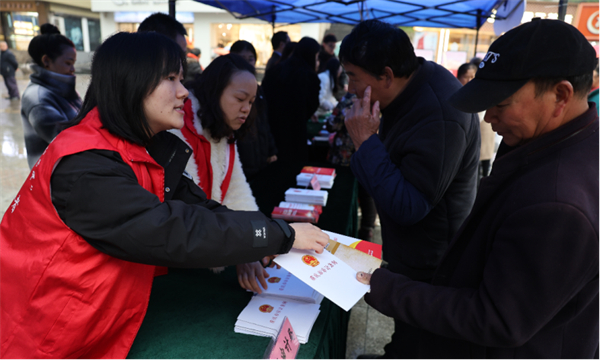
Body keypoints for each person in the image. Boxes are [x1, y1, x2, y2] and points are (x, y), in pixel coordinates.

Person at [0, 31, 328, 359]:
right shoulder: (87, 164)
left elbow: (199, 207)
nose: (184, 92)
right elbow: (174, 230)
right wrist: (280, 235)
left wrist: (263, 236)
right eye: (171, 78)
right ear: (131, 82)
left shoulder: (143, 148)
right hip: (41, 334)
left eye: (182, 79)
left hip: (88, 323)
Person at [356, 19, 598, 358]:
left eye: (500, 104)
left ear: (560, 95)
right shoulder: (556, 143)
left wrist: (383, 286)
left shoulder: (559, 202)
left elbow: (496, 318)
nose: (488, 119)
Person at [339, 19, 480, 358]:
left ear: (386, 75)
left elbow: (409, 206)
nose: (349, 88)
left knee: (420, 341)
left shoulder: (439, 113)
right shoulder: (409, 89)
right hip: (414, 251)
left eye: (353, 77)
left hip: (434, 260)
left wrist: (365, 142)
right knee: (408, 335)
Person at [21, 23, 82, 169]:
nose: (72, 69)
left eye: (73, 63)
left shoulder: (64, 89)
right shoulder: (38, 98)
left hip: (74, 170)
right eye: (68, 63)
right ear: (46, 61)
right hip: (56, 177)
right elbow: (66, 141)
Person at [262, 37, 321, 163]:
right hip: (295, 133)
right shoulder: (309, 76)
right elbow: (312, 105)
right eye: (316, 57)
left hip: (271, 131)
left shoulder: (275, 70)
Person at [229, 40, 278, 180]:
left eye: (251, 59)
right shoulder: (227, 89)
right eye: (241, 58)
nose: (247, 63)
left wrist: (271, 149)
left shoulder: (258, 89)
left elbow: (264, 121)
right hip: (240, 156)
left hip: (259, 151)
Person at [458, 62, 496, 182]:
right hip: (467, 143)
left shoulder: (481, 94)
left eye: (472, 77)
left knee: (483, 171)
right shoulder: (456, 95)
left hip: (483, 139)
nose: (469, 80)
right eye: (466, 77)